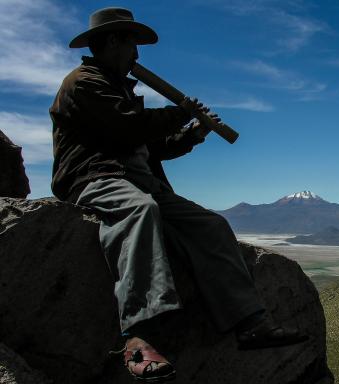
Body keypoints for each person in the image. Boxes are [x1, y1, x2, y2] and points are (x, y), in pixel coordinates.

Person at [50, 7, 306, 381]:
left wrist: (193, 133)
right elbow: (128, 128)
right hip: (94, 176)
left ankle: (250, 323)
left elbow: (154, 147)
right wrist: (180, 111)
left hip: (139, 179)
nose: (137, 56)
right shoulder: (84, 83)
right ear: (111, 42)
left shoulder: (120, 88)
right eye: (132, 46)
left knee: (211, 225)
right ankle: (138, 338)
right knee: (140, 211)